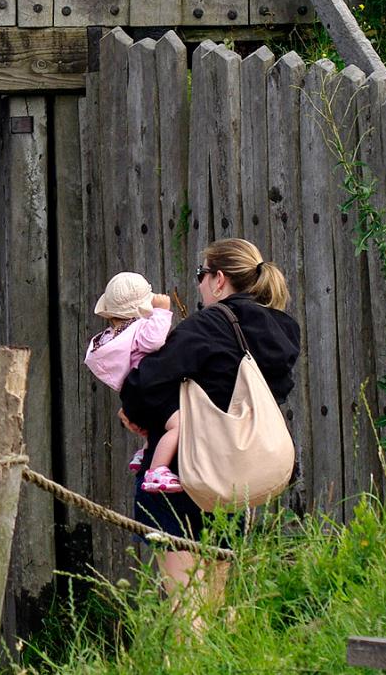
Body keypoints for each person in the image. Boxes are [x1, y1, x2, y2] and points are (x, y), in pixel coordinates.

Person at [120, 238, 300, 611]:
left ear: (220, 280)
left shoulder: (210, 324)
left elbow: (143, 385)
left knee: (184, 608)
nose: (199, 284)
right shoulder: (282, 330)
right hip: (234, 479)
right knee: (214, 606)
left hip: (181, 478)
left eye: (201, 275)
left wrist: (139, 412)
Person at [83, 272, 178, 491]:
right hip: (153, 391)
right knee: (177, 426)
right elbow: (154, 340)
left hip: (133, 395)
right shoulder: (138, 330)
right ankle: (157, 470)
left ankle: (145, 451)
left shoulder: (109, 338)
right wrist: (162, 311)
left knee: (155, 425)